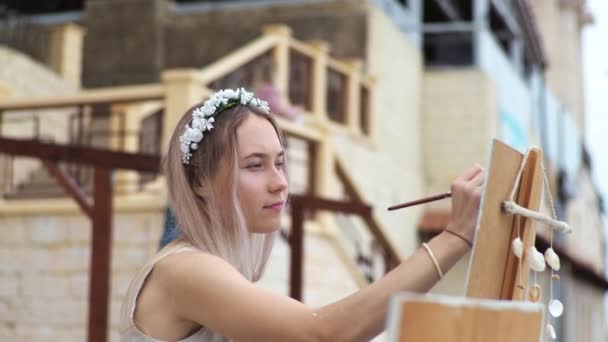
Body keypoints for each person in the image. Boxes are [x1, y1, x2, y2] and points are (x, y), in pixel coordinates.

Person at [120, 88, 485, 342]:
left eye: (280, 163)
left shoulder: (213, 268)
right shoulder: (185, 269)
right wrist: (454, 238)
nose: (280, 183)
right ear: (199, 180)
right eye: (254, 165)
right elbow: (322, 333)